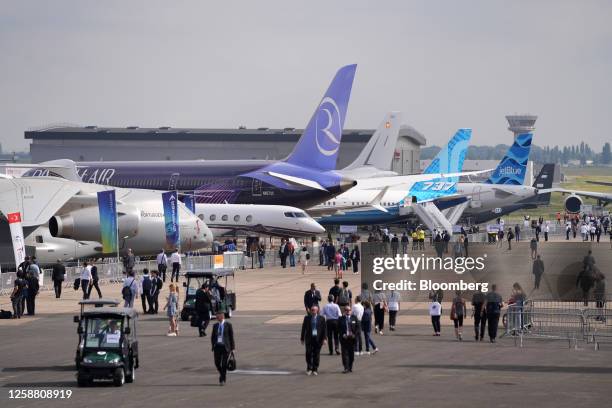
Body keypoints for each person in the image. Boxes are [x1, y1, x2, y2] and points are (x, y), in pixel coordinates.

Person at [211, 307, 235, 385]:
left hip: (225, 347)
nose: (217, 317)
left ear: (222, 316)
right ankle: (222, 374)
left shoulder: (228, 325)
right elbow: (213, 336)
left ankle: (222, 379)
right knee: (217, 363)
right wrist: (213, 345)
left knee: (224, 364)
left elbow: (231, 337)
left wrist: (233, 348)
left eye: (218, 316)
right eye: (216, 316)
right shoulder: (215, 325)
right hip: (217, 346)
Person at [300, 305, 327, 376]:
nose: (313, 311)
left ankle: (315, 369)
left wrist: (325, 339)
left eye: (314, 310)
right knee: (308, 353)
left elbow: (324, 329)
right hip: (309, 338)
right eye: (312, 310)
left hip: (318, 339)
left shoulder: (321, 318)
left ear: (317, 310)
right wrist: (302, 338)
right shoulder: (307, 318)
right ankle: (309, 368)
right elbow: (303, 329)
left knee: (316, 354)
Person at [338, 305, 360, 373]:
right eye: (346, 310)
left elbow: (358, 328)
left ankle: (350, 367)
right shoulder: (341, 319)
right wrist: (342, 334)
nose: (348, 311)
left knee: (351, 355)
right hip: (344, 339)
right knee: (344, 354)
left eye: (349, 310)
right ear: (344, 311)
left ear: (351, 311)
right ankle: (346, 367)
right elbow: (338, 329)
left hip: (352, 339)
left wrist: (354, 335)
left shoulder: (354, 318)